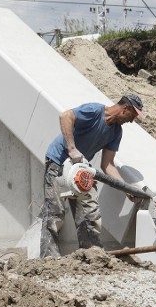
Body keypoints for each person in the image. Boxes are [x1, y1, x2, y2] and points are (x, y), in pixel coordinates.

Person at [40, 94, 144, 258]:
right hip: (58, 162)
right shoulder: (95, 111)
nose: (132, 121)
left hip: (80, 170)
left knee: (89, 212)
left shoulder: (116, 132)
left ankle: (93, 256)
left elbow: (107, 165)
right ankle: (49, 259)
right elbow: (65, 116)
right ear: (126, 108)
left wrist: (126, 188)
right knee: (55, 212)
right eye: (133, 116)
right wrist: (72, 149)